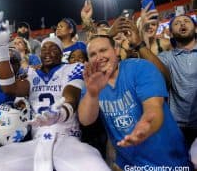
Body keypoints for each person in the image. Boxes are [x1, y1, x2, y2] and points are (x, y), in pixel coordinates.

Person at [0, 11, 110, 171]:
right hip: (37, 141)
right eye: (45, 49)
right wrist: (1, 47)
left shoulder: (73, 68)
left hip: (67, 138)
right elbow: (8, 87)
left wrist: (59, 114)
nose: (48, 51)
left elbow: (71, 95)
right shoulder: (31, 73)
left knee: (96, 166)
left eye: (53, 48)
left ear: (61, 53)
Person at [78, 20, 192, 169]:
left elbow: (154, 108)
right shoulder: (93, 82)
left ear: (116, 51)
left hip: (168, 160)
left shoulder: (140, 68)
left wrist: (145, 127)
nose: (99, 57)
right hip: (130, 163)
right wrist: (92, 94)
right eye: (93, 54)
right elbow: (86, 120)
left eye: (103, 50)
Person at [126, 13, 197, 148]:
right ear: (170, 33)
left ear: (196, 28)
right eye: (176, 23)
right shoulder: (166, 57)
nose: (182, 24)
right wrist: (139, 43)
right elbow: (151, 71)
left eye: (186, 21)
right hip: (177, 127)